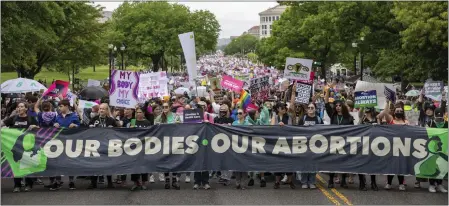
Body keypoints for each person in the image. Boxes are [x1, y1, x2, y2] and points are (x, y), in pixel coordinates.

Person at [1, 102, 39, 193]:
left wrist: (35, 126)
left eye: (22, 106)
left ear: (26, 109)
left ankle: (29, 184)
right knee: (16, 165)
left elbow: (39, 129)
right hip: (15, 146)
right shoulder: (13, 118)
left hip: (27, 146)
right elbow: (2, 124)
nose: (19, 108)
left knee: (27, 165)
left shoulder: (31, 118)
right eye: (18, 107)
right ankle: (17, 185)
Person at [324, 88, 354, 189]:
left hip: (344, 143)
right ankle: (331, 180)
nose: (337, 107)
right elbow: (326, 104)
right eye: (336, 106)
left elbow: (353, 131)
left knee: (344, 162)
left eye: (339, 106)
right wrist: (327, 91)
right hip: (333, 142)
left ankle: (343, 180)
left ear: (343, 107)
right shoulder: (332, 116)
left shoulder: (349, 118)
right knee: (332, 162)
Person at [377, 102, 408, 191]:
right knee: (391, 164)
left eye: (400, 111)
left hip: (403, 146)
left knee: (401, 165)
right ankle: (389, 183)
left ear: (403, 113)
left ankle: (401, 183)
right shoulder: (391, 120)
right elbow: (385, 113)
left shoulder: (406, 122)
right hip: (392, 146)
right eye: (397, 111)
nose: (399, 112)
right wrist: (387, 102)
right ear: (394, 112)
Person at [87, 103, 117, 189]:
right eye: (100, 109)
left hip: (107, 144)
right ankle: (93, 183)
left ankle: (110, 182)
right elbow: (86, 131)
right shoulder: (94, 119)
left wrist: (113, 129)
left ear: (107, 110)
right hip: (95, 145)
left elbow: (117, 132)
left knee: (108, 164)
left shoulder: (111, 120)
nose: (101, 110)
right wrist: (90, 128)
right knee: (94, 164)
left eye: (103, 109)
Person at [53, 99, 80, 190]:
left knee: (70, 161)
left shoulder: (74, 115)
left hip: (70, 142)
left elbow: (80, 127)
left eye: (61, 106)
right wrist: (55, 125)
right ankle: (57, 181)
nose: (59, 108)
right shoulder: (57, 116)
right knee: (57, 161)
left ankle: (71, 181)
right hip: (59, 142)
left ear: (67, 106)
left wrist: (75, 126)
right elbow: (53, 127)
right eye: (59, 106)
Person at [154, 101, 181, 190]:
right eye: (163, 107)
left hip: (174, 141)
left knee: (174, 160)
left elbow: (181, 126)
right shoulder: (158, 118)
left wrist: (177, 123)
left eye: (166, 107)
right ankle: (167, 180)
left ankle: (174, 180)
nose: (165, 109)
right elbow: (155, 129)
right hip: (163, 142)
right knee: (165, 160)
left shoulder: (175, 116)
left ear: (169, 108)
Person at [297, 102, 323, 189]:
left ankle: (312, 181)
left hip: (315, 146)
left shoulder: (319, 119)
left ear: (315, 109)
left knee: (313, 164)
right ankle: (304, 181)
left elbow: (323, 132)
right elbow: (297, 130)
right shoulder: (303, 118)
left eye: (312, 108)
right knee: (304, 163)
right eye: (309, 108)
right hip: (304, 145)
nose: (310, 109)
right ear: (307, 109)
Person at [129, 106, 151, 191]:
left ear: (143, 113)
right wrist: (130, 129)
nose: (138, 114)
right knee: (134, 164)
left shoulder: (147, 122)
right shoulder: (133, 121)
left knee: (144, 164)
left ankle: (144, 182)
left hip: (144, 146)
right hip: (134, 146)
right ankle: (135, 182)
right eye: (137, 112)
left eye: (140, 112)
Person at [357, 107, 379, 191]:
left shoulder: (376, 118)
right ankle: (362, 182)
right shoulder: (362, 117)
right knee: (361, 163)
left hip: (373, 144)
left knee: (372, 163)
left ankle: (373, 182)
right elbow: (358, 125)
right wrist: (362, 106)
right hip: (362, 144)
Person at [232, 108, 252, 190]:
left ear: (244, 114)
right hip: (236, 146)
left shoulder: (248, 123)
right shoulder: (234, 123)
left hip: (245, 146)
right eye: (237, 113)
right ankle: (237, 182)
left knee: (244, 165)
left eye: (240, 113)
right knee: (237, 165)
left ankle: (243, 183)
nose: (238, 115)